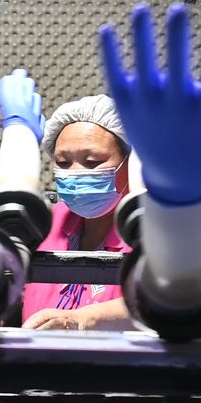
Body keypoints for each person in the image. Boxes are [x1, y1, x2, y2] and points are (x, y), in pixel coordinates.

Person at [20, 95, 135, 331]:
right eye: (63, 163)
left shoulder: (149, 231)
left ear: (129, 161)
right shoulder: (44, 225)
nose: (76, 174)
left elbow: (169, 301)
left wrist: (80, 319)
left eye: (92, 162)